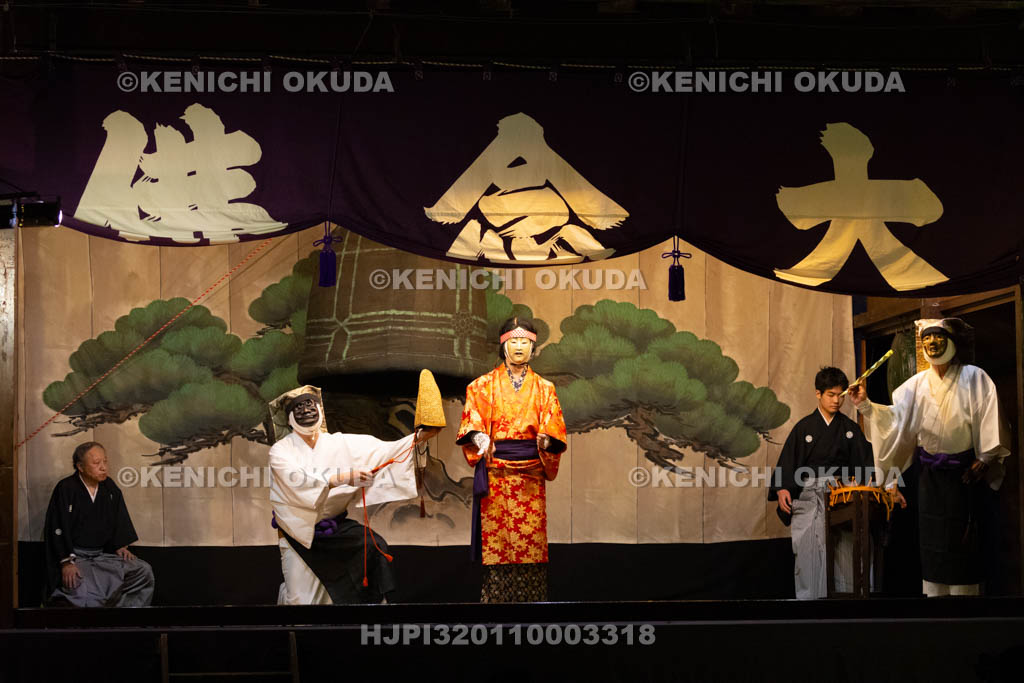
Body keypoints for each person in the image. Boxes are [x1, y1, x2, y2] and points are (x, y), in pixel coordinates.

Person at [849, 318, 1009, 597]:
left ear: (951, 342)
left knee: (963, 541)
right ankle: (934, 599)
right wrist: (864, 404)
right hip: (930, 477)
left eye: (938, 338)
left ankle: (965, 599)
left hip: (964, 474)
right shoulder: (914, 386)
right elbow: (894, 423)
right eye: (927, 339)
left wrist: (984, 458)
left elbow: (989, 417)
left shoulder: (974, 377)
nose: (932, 343)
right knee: (932, 540)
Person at [268, 385, 439, 605]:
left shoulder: (341, 443)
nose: (306, 410)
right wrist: (343, 478)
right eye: (298, 407)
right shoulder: (281, 451)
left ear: (320, 410)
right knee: (302, 601)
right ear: (289, 418)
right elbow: (295, 478)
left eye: (310, 404)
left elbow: (385, 451)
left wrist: (419, 437)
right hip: (298, 534)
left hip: (336, 529)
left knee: (374, 548)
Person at [456, 317, 567, 603]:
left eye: (525, 342)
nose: (519, 347)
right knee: (498, 546)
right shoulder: (481, 386)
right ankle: (495, 606)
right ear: (503, 345)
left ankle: (532, 607)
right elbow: (471, 423)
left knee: (530, 545)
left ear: (533, 346)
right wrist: (479, 437)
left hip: (530, 476)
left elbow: (555, 430)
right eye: (513, 341)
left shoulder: (545, 388)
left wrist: (546, 440)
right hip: (496, 475)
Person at [769, 367, 875, 599]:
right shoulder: (804, 428)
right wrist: (783, 488)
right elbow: (789, 461)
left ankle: (849, 604)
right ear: (818, 394)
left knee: (847, 551)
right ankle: (810, 604)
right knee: (808, 551)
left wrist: (869, 486)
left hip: (842, 495)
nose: (837, 401)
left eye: (841, 395)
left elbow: (866, 464)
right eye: (831, 394)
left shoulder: (849, 429)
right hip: (809, 495)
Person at [43, 441, 154, 607]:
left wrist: (119, 546)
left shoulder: (109, 488)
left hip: (102, 556)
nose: (103, 467)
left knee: (142, 571)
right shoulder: (66, 488)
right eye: (96, 463)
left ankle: (126, 615)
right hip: (76, 557)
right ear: (80, 466)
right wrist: (66, 563)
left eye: (105, 461)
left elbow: (118, 518)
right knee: (82, 592)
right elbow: (56, 527)